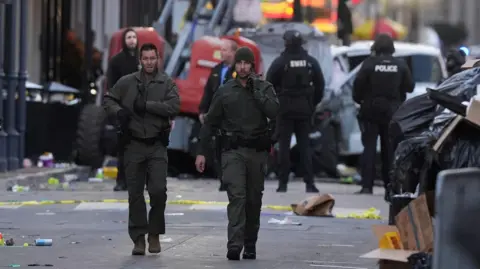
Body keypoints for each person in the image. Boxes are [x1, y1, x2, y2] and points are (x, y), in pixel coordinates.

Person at [195, 47, 279, 260]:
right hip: (233, 151)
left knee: (253, 200)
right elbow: (210, 123)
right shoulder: (225, 91)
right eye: (239, 63)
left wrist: (255, 91)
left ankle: (250, 244)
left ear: (252, 65)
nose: (242, 67)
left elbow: (274, 112)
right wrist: (201, 152)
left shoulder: (264, 87)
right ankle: (234, 244)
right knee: (237, 197)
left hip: (257, 153)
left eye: (246, 63)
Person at [103, 43, 180, 255]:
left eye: (152, 58)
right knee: (135, 194)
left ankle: (154, 234)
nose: (149, 62)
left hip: (156, 144)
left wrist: (147, 105)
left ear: (158, 59)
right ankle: (138, 238)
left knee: (158, 191)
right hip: (133, 143)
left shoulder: (166, 83)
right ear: (140, 60)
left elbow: (174, 106)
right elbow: (108, 99)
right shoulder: (127, 82)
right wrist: (119, 112)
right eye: (145, 59)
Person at [352, 34, 414, 197]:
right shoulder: (400, 65)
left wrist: (361, 100)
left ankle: (367, 186)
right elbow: (410, 87)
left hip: (370, 111)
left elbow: (357, 86)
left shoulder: (369, 64)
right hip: (392, 113)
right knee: (390, 151)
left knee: (369, 149)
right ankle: (390, 187)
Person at [266, 29, 325, 193]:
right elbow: (320, 85)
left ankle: (282, 183)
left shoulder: (280, 62)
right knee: (305, 146)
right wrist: (312, 103)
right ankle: (309, 183)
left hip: (285, 110)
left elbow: (268, 84)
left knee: (283, 147)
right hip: (304, 109)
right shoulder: (310, 62)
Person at [199, 39, 238, 191]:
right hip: (216, 115)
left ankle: (231, 179)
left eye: (225, 50)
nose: (222, 52)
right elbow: (208, 92)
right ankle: (222, 180)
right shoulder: (216, 69)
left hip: (233, 116)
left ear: (233, 52)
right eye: (221, 49)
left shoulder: (239, 70)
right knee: (218, 148)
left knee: (231, 149)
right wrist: (202, 110)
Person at [106, 28, 140, 192]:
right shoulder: (116, 61)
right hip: (123, 110)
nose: (132, 40)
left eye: (134, 37)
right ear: (124, 40)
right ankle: (122, 181)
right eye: (129, 37)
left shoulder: (143, 60)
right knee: (124, 147)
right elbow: (111, 86)